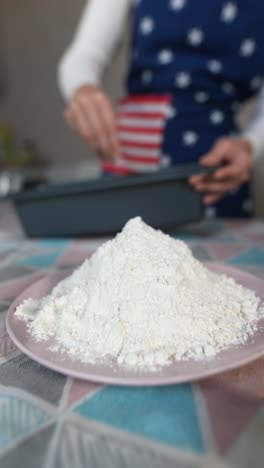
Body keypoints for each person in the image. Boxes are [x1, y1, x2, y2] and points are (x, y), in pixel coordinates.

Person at [58, 0, 264, 217]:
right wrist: (83, 89)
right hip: (130, 163)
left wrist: (250, 145)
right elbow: (86, 53)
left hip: (215, 179)